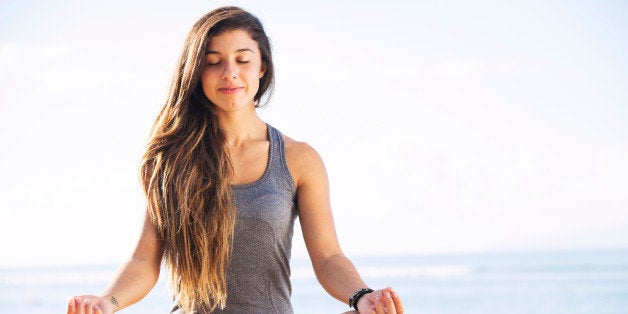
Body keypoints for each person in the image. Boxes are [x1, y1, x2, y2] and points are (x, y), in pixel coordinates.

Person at [66, 6, 404, 314]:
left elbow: (328, 256)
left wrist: (362, 297)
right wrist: (106, 302)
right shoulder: (170, 160)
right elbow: (144, 259)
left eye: (242, 59)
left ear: (262, 68)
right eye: (213, 61)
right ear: (197, 72)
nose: (229, 72)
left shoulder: (298, 159)